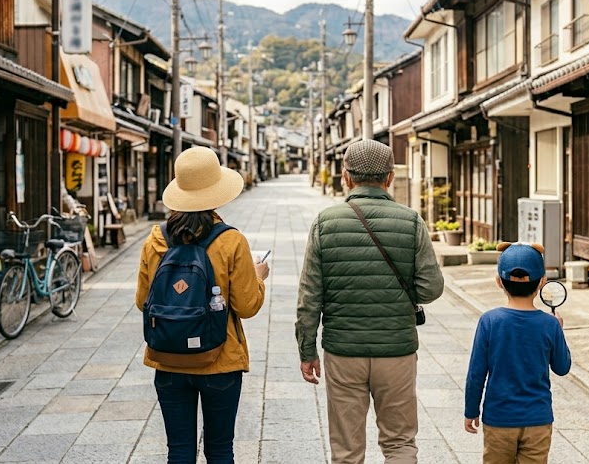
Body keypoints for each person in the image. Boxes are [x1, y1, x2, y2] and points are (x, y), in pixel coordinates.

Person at [295, 139, 445, 463]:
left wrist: (307, 349)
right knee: (400, 443)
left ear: (345, 177)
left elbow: (309, 295)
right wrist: (399, 294)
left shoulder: (325, 222)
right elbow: (431, 288)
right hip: (397, 351)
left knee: (347, 451)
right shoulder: (411, 221)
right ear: (389, 177)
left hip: (343, 350)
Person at [136, 146, 270, 464]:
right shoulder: (230, 241)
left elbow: (143, 301)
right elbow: (248, 306)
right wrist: (258, 276)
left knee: (179, 451)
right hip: (221, 361)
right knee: (220, 450)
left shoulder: (155, 240)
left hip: (167, 360)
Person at [463, 242, 572, 464]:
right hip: (538, 420)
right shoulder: (549, 324)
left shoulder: (489, 321)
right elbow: (562, 367)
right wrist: (559, 331)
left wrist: (471, 410)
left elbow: (476, 373)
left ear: (498, 282)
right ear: (542, 282)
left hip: (499, 419)